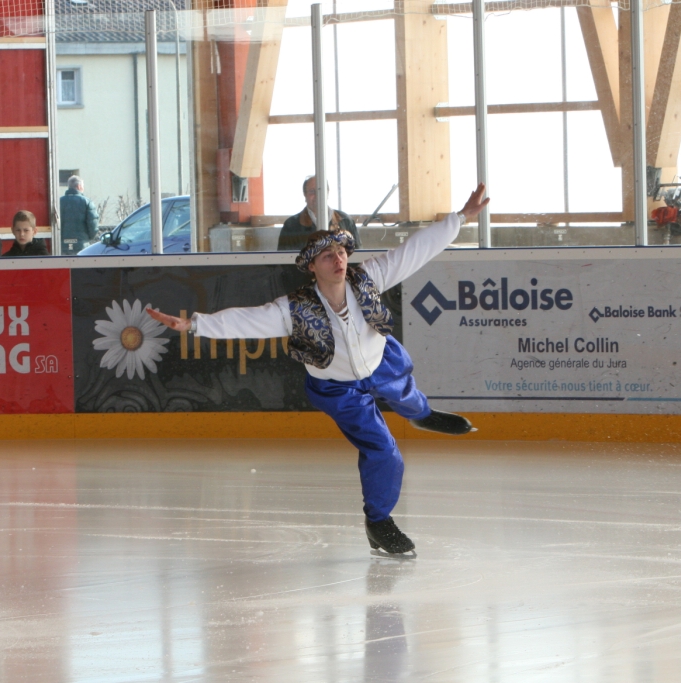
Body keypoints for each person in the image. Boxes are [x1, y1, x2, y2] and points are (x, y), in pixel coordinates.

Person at [148, 184, 490, 557]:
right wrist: (194, 324)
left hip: (380, 362)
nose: (338, 260)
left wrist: (460, 218)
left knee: (406, 395)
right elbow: (246, 320)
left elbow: (415, 251)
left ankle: (422, 415)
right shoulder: (294, 309)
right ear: (312, 266)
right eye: (328, 256)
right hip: (338, 389)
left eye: (341, 252)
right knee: (383, 450)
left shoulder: (369, 278)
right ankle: (379, 523)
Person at [277, 175, 361, 251]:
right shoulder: (291, 225)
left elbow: (357, 255)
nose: (317, 195)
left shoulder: (345, 221)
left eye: (321, 191)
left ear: (328, 192)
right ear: (305, 195)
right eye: (312, 191)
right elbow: (283, 259)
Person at [59, 175, 99, 255]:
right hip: (82, 244)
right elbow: (93, 225)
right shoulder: (87, 202)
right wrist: (88, 238)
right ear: (79, 186)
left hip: (62, 245)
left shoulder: (59, 201)